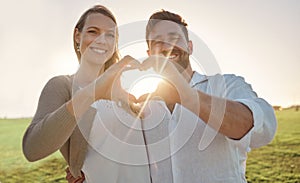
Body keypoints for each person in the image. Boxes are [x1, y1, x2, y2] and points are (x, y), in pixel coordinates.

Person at [133, 10, 277, 182]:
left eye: (174, 38)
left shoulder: (226, 85)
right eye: (157, 42)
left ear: (190, 47)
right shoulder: (144, 107)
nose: (166, 47)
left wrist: (185, 94)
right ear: (149, 54)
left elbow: (261, 130)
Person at [22, 5, 145, 183]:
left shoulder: (126, 95)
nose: (102, 40)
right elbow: (32, 149)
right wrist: (91, 94)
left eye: (110, 35)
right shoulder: (62, 86)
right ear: (77, 36)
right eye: (93, 32)